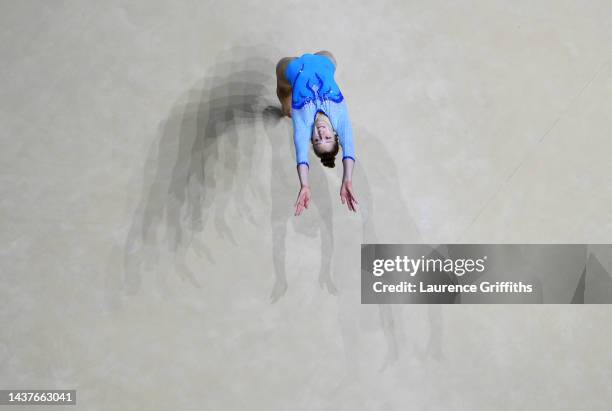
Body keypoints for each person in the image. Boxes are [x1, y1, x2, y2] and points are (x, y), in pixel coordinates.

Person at [275, 51, 358, 216]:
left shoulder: (303, 124)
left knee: (283, 87)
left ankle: (285, 109)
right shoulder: (340, 118)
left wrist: (305, 185)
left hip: (292, 66)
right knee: (331, 56)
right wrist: (347, 179)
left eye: (317, 139)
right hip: (324, 60)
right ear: (336, 134)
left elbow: (302, 158)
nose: (321, 133)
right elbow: (349, 148)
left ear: (310, 138)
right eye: (327, 137)